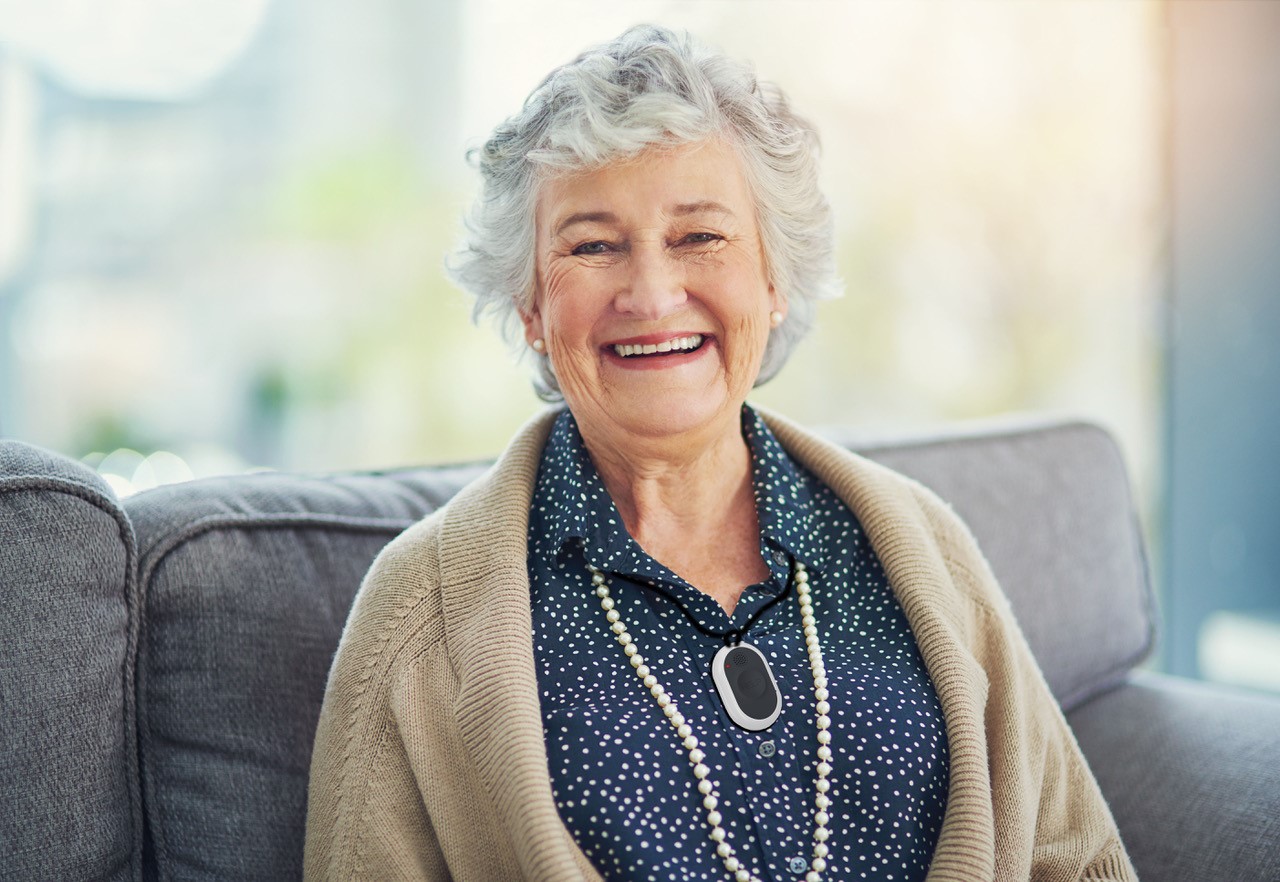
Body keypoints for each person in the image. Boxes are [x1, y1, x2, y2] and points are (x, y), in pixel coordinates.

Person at [304, 24, 1137, 882]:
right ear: (529, 306)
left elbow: (1073, 858)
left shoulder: (922, 546)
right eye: (593, 245)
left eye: (700, 237)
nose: (653, 293)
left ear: (774, 281)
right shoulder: (422, 615)